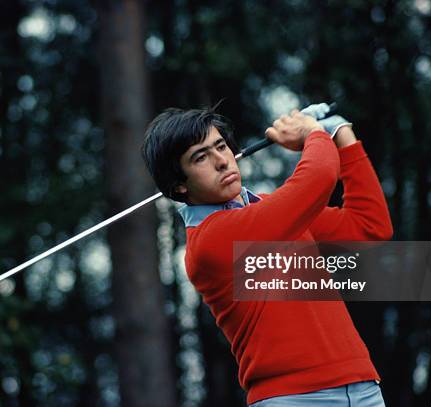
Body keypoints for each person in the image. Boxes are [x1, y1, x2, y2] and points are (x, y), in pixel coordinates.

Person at [141, 103, 393, 406]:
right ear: (179, 186)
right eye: (200, 157)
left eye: (220, 146)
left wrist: (342, 135)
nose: (221, 161)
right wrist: (313, 132)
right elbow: (317, 179)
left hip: (364, 389)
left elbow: (369, 227)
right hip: (292, 400)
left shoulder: (273, 213)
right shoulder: (211, 240)